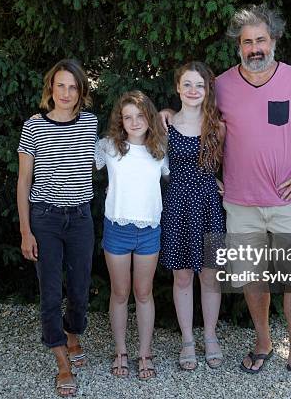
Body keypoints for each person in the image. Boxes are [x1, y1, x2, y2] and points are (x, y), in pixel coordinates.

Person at [162, 5, 291, 385]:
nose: (255, 48)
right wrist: (164, 113)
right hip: (239, 204)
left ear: (273, 41)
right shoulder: (222, 86)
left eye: (261, 39)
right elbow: (194, 115)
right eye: (248, 42)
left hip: (289, 203)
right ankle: (263, 343)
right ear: (239, 47)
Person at [17, 59, 96, 397]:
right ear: (51, 88)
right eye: (61, 86)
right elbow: (23, 181)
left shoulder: (90, 124)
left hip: (80, 219)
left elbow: (125, 148)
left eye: (73, 87)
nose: (66, 93)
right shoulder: (33, 126)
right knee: (50, 293)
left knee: (79, 289)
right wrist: (25, 231)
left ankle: (73, 334)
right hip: (45, 219)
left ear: (81, 92)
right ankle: (62, 362)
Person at [95, 90, 169, 381]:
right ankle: (121, 351)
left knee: (143, 292)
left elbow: (188, 168)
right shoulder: (109, 147)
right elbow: (76, 155)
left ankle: (145, 353)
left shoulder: (160, 149)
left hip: (149, 230)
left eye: (139, 116)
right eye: (128, 117)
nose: (134, 122)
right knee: (120, 292)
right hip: (117, 229)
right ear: (120, 120)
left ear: (149, 117)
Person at [159, 62, 226, 370]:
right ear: (177, 88)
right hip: (177, 205)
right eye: (187, 84)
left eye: (199, 85)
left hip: (210, 205)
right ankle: (187, 340)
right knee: (183, 275)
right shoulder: (166, 124)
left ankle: (210, 336)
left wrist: (222, 181)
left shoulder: (218, 126)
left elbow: (233, 163)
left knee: (210, 274)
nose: (193, 90)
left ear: (207, 89)